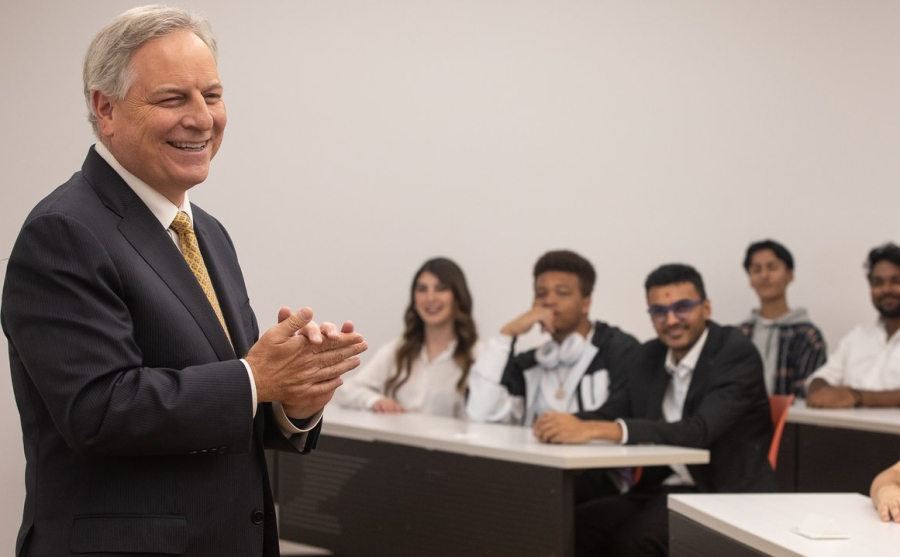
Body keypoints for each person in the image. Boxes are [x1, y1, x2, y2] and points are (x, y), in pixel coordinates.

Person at [0, 6, 367, 556]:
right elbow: (99, 412)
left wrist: (292, 399)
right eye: (173, 99)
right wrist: (255, 378)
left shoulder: (207, 232)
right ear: (106, 109)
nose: (202, 118)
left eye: (212, 95)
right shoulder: (63, 231)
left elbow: (225, 405)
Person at [533, 263, 776, 557]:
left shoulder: (735, 352)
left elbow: (698, 431)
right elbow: (614, 410)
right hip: (663, 487)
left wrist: (599, 430)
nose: (671, 320)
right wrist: (563, 423)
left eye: (682, 307)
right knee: (575, 525)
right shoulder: (649, 355)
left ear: (706, 308)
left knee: (636, 542)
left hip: (722, 494)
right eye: (659, 311)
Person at [466, 250, 639, 427]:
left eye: (562, 293)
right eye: (541, 293)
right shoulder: (529, 364)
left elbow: (626, 417)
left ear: (586, 304)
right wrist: (506, 334)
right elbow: (480, 414)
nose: (548, 301)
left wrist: (576, 426)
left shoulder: (621, 350)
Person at [336, 257, 479, 417]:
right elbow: (347, 390)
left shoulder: (477, 355)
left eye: (440, 288)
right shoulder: (399, 349)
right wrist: (376, 401)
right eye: (422, 289)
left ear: (458, 296)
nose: (430, 298)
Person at [806, 243, 900, 408]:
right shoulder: (857, 337)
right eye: (878, 283)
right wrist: (819, 391)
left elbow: (853, 397)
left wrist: (857, 397)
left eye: (896, 281)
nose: (886, 289)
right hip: (847, 426)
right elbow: (822, 377)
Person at [738, 239, 827, 397]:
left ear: (790, 275)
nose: (764, 275)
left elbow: (807, 393)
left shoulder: (808, 335)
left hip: (792, 413)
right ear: (750, 279)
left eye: (772, 267)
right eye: (756, 270)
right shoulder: (738, 336)